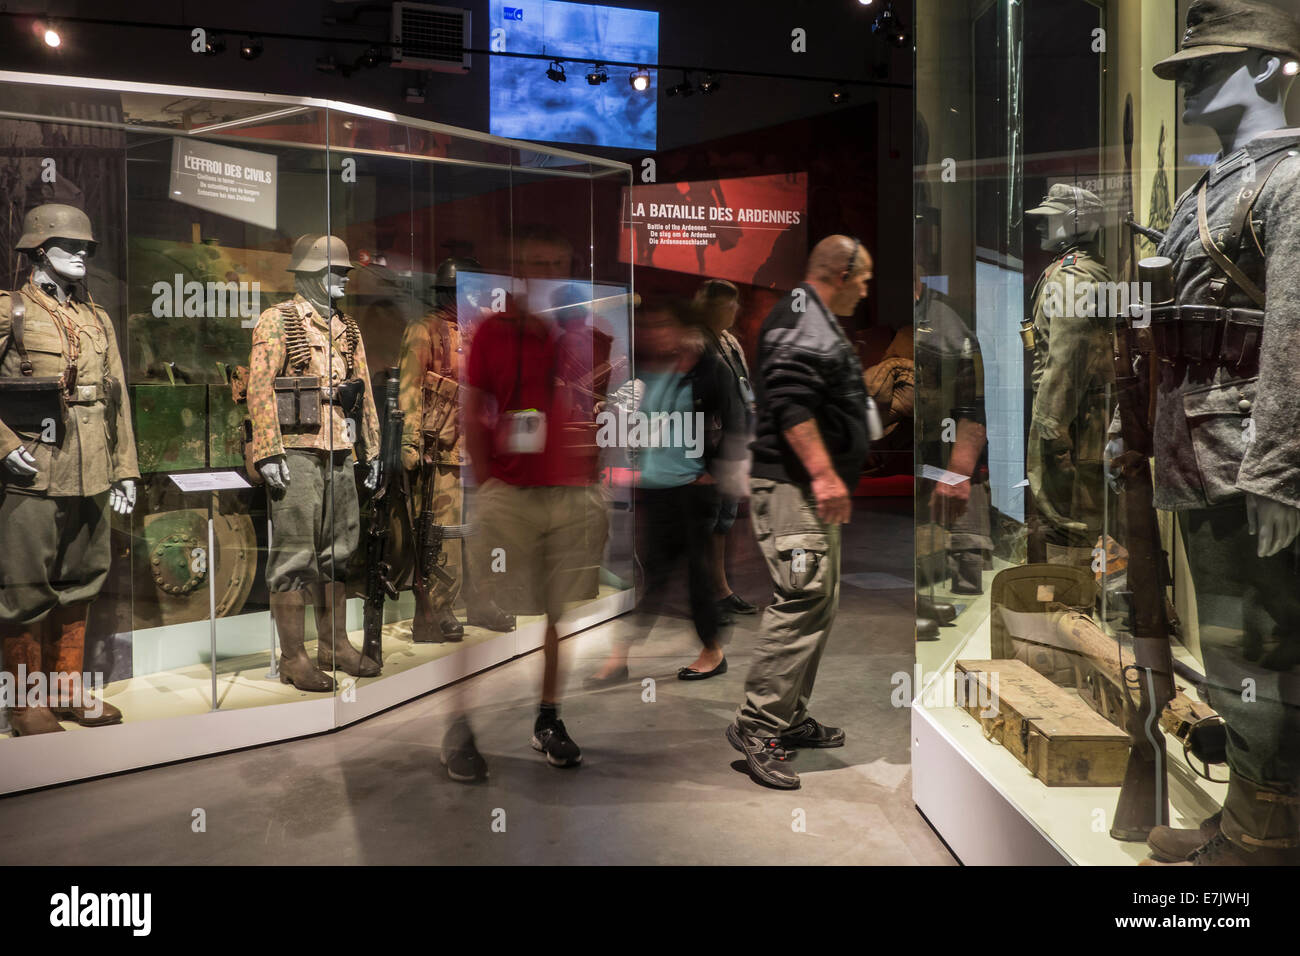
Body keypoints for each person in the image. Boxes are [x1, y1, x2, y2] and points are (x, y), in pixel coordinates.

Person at [1134, 0, 1300, 866]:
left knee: (1266, 657)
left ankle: (1263, 839)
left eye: (1215, 61)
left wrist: (1279, 474)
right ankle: (1251, 814)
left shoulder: (1290, 180)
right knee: (1235, 654)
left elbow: (1294, 336)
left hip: (1245, 469)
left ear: (1273, 67)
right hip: (1199, 459)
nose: (1191, 77)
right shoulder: (1216, 182)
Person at [448, 227, 608, 775]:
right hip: (510, 495)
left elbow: (600, 405)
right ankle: (460, 726)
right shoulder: (494, 333)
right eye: (537, 262)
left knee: (558, 617)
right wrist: (489, 479)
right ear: (519, 270)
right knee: (483, 610)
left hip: (570, 495)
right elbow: (473, 408)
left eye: (556, 261)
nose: (547, 271)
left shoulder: (584, 335)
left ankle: (548, 718)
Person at [726, 235, 872, 790]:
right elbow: (789, 402)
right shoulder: (802, 320)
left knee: (816, 603)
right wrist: (824, 472)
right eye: (862, 279)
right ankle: (757, 728)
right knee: (801, 600)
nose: (866, 290)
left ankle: (785, 718)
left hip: (803, 490)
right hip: (792, 488)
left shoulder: (815, 317)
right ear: (838, 273)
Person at [0, 204, 138, 734]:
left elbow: (117, 399)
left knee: (82, 580)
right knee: (25, 588)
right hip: (33, 472)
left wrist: (125, 469)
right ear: (37, 250)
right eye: (69, 245)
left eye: (87, 247)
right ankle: (26, 702)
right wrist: (4, 444)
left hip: (92, 470)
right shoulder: (12, 311)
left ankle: (65, 691)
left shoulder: (97, 318)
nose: (82, 253)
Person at [587, 298, 740, 685]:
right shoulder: (644, 371)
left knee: (694, 577)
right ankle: (624, 656)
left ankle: (710, 650)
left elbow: (739, 424)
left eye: (663, 324)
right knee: (656, 576)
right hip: (655, 490)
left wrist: (715, 473)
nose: (655, 333)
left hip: (693, 491)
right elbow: (633, 419)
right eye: (649, 326)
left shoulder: (708, 370)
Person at [397, 256, 515, 642]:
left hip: (479, 455)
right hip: (441, 453)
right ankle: (441, 608)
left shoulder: (482, 330)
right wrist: (409, 443)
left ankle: (482, 601)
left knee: (483, 533)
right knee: (443, 535)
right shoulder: (425, 331)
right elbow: (410, 390)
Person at [694, 279, 758, 619]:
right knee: (706, 521)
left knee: (722, 520)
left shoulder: (729, 341)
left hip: (733, 444)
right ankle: (707, 594)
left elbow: (744, 388)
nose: (735, 310)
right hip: (708, 447)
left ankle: (720, 590)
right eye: (728, 304)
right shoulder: (696, 341)